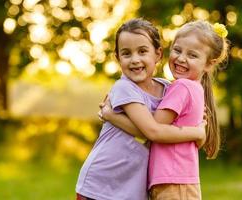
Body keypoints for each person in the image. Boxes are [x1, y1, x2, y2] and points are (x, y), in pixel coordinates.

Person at [75, 18, 206, 200]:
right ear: (118, 58)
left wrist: (111, 115)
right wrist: (196, 133)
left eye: (143, 51)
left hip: (133, 187)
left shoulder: (168, 89)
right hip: (102, 183)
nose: (135, 60)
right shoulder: (124, 88)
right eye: (126, 53)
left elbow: (177, 121)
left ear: (158, 54)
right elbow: (150, 131)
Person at [100, 20, 229, 200]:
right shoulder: (192, 88)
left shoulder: (182, 87)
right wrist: (197, 133)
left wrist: (111, 116)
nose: (181, 58)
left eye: (192, 55)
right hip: (177, 179)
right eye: (177, 50)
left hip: (173, 180)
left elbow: (153, 128)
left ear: (208, 64)